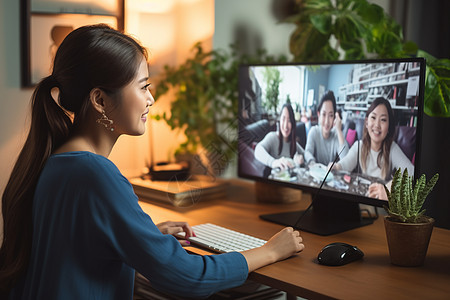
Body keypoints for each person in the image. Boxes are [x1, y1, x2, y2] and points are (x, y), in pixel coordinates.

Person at [0, 25, 304, 299]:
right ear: (100, 100)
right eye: (143, 86)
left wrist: (142, 236)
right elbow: (186, 276)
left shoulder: (53, 160)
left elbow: (73, 244)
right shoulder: (95, 174)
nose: (151, 99)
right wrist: (270, 251)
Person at [331, 97, 414, 200]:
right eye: (373, 118)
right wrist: (335, 167)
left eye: (383, 120)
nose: (377, 125)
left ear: (388, 127)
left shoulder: (392, 149)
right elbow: (345, 164)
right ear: (366, 122)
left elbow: (411, 172)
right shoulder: (359, 146)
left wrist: (389, 189)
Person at [254, 103, 305, 173]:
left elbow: (305, 154)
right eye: (283, 119)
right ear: (279, 120)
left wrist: (301, 158)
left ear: (293, 124)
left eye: (289, 120)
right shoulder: (272, 137)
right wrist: (274, 162)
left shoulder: (293, 143)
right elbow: (258, 150)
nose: (285, 125)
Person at [304, 91, 348, 166]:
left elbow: (346, 159)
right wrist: (313, 163)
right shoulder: (314, 132)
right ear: (319, 114)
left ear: (334, 116)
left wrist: (339, 131)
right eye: (324, 114)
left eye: (331, 115)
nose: (327, 121)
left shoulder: (336, 134)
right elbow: (307, 152)